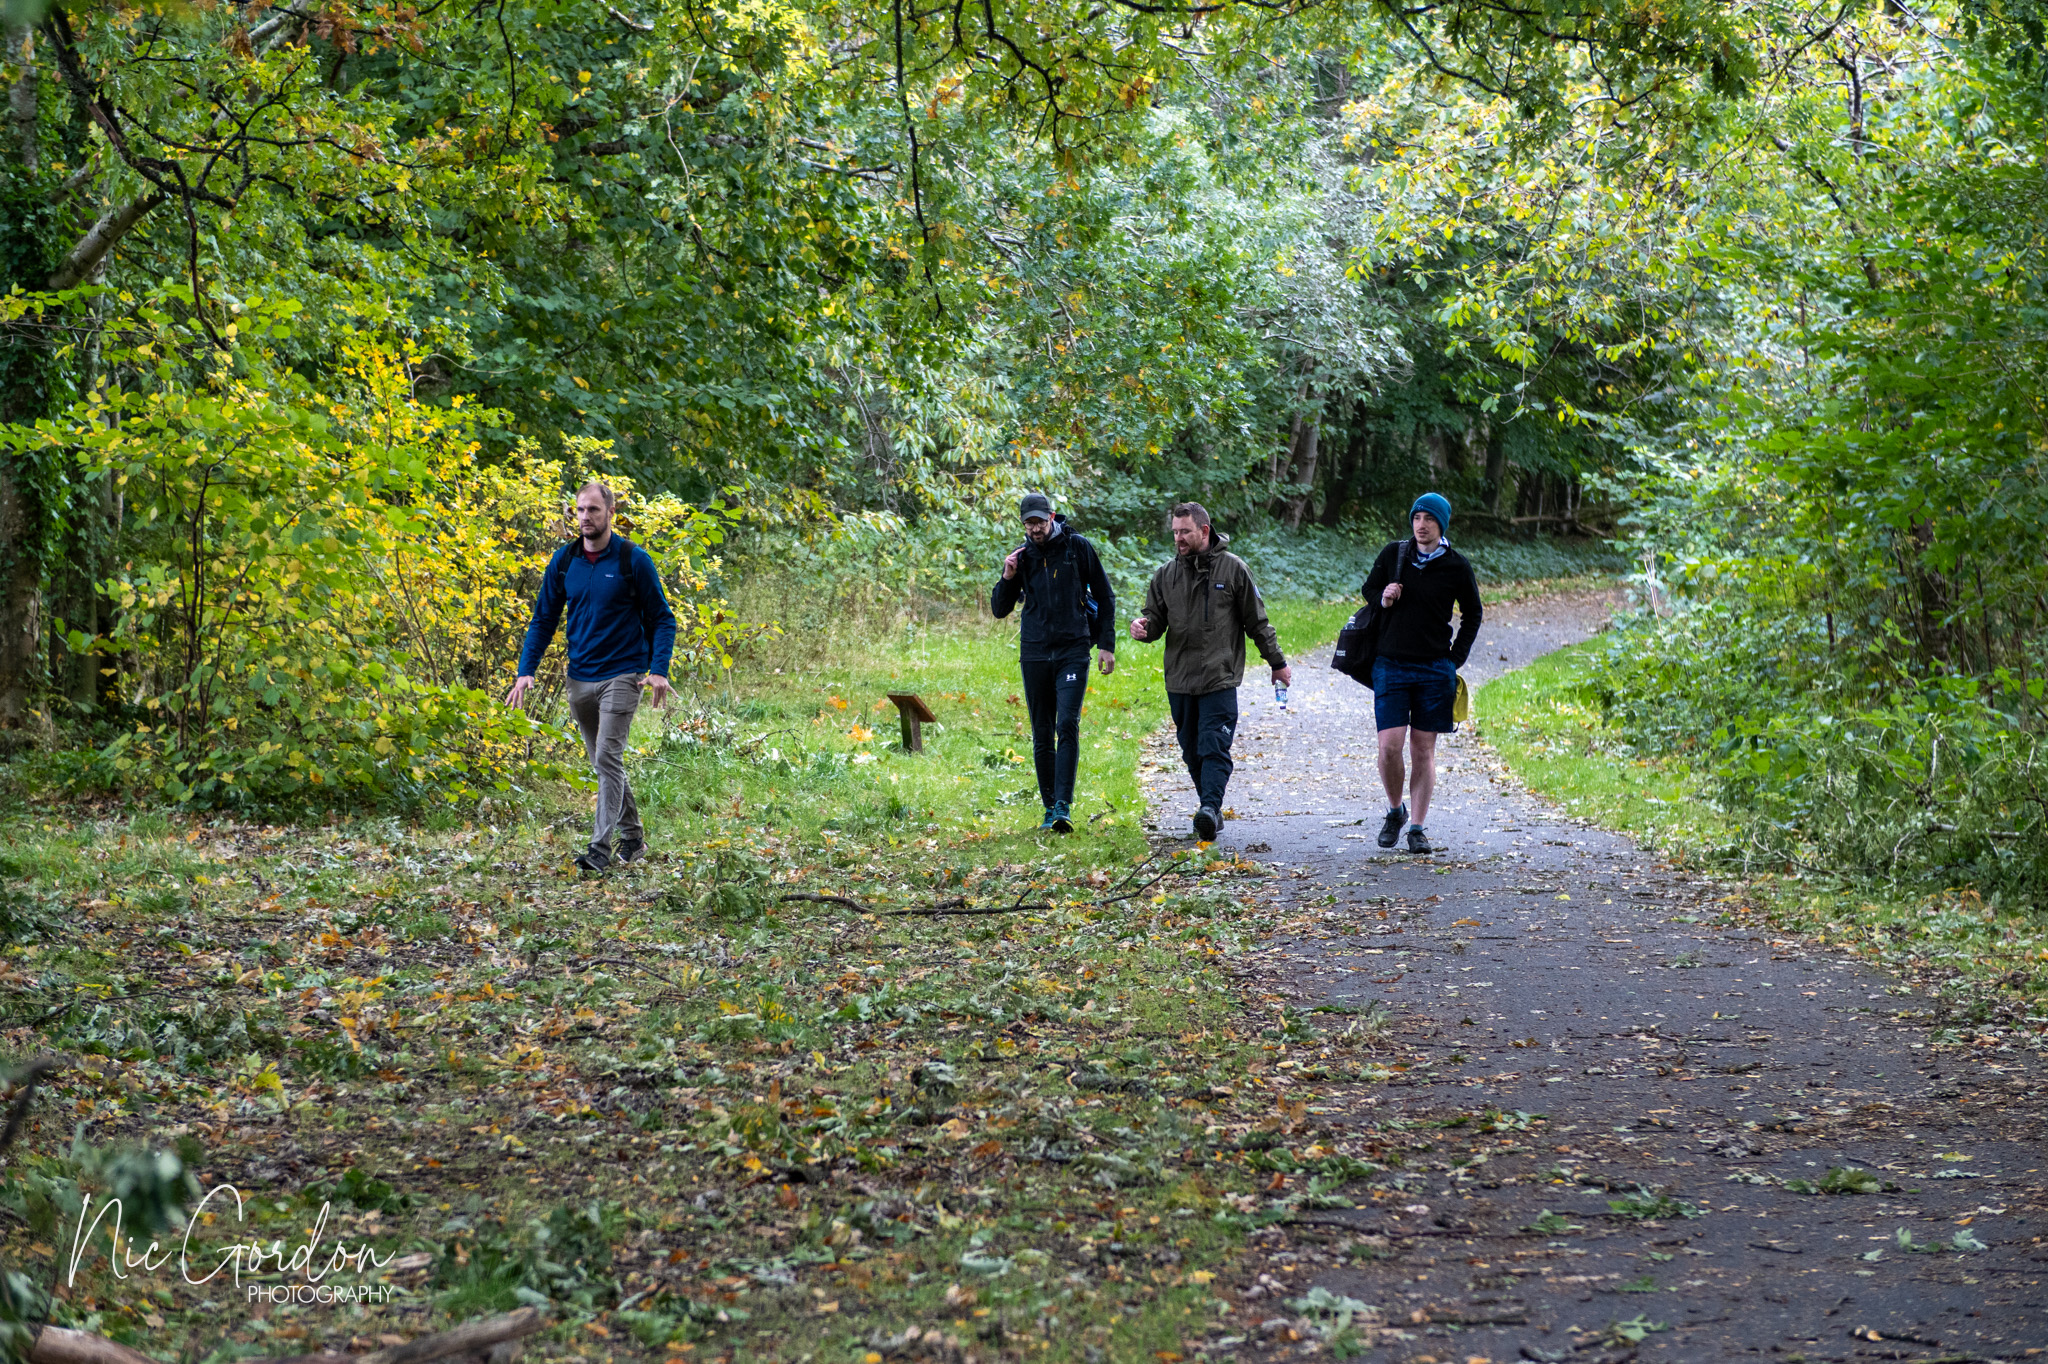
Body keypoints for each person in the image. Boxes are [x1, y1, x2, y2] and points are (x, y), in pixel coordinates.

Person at [507, 482, 679, 872]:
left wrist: (658, 670)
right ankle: (633, 838)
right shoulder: (564, 561)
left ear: (611, 513)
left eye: (593, 510)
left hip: (624, 673)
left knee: (607, 756)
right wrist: (525, 671)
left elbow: (662, 618)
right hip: (580, 677)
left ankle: (599, 850)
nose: (585, 517)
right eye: (580, 510)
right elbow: (543, 619)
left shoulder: (633, 560)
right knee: (605, 765)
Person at [1129, 502, 1290, 841]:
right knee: (1191, 750)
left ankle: (1209, 807)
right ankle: (1210, 811)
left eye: (1185, 532)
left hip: (1220, 676)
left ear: (1204, 530)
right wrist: (1143, 628)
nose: (1178, 538)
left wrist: (1277, 663)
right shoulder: (1165, 575)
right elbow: (1154, 621)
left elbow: (1257, 622)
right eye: (1175, 532)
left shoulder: (1234, 570)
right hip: (1179, 678)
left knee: (1213, 745)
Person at [1361, 492, 1483, 855]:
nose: (1421, 525)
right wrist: (1383, 596)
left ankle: (1417, 827)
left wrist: (1454, 659)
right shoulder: (1394, 554)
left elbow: (1473, 613)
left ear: (1441, 524)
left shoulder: (1456, 566)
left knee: (1423, 749)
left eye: (1429, 519)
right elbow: (1369, 589)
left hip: (1434, 668)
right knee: (1389, 747)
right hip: (1390, 663)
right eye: (1417, 518)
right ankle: (1394, 810)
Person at [990, 492, 1117, 833]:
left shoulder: (1077, 547)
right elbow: (999, 609)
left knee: (1067, 725)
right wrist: (1007, 576)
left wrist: (1106, 645)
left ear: (1052, 516)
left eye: (1040, 521)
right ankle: (1049, 808)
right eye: (1029, 523)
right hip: (1034, 652)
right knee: (1042, 731)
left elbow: (1105, 595)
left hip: (1072, 649)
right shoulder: (1021, 557)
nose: (1035, 529)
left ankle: (1063, 805)